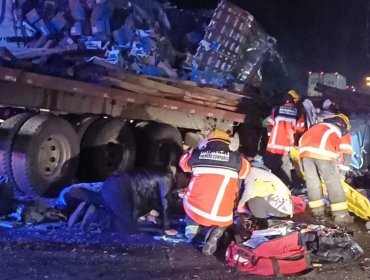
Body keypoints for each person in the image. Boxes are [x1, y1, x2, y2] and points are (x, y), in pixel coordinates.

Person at [179, 129, 251, 255]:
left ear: (207, 142)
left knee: (188, 202)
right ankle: (217, 230)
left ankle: (193, 236)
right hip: (223, 215)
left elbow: (183, 164)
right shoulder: (239, 159)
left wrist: (193, 150)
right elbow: (246, 173)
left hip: (197, 208)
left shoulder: (196, 155)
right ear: (228, 143)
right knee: (222, 214)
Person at [298, 113, 353, 224]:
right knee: (333, 183)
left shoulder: (318, 126)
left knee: (312, 182)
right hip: (323, 153)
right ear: (345, 124)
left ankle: (317, 212)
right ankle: (341, 216)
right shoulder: (342, 130)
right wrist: (342, 172)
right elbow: (347, 153)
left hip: (304, 153)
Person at [264, 90, 306, 188]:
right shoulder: (298, 113)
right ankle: (286, 187)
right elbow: (301, 128)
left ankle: (273, 186)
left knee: (273, 168)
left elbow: (269, 122)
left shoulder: (277, 110)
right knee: (284, 168)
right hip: (285, 147)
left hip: (273, 146)